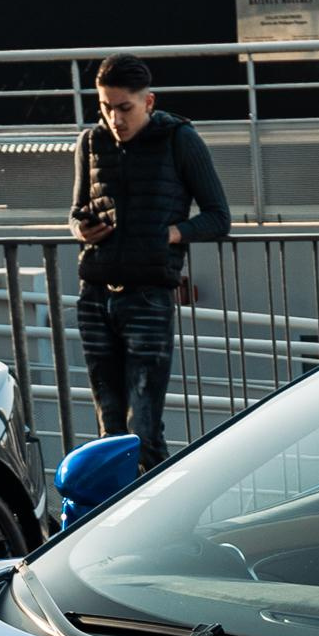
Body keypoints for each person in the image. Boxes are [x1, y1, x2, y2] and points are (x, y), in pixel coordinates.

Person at [71, 54, 232, 474]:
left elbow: (219, 217)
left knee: (142, 428)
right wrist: (81, 229)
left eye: (124, 107)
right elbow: (74, 212)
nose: (114, 119)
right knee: (110, 430)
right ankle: (117, 506)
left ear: (149, 102)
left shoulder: (179, 139)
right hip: (95, 294)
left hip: (148, 296)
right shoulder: (91, 141)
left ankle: (156, 506)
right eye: (105, 107)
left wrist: (171, 233)